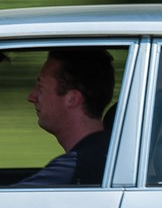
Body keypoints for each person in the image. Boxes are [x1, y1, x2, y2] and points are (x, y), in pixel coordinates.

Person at [12, 47, 115, 187]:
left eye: (40, 87)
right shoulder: (102, 155)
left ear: (72, 99)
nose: (31, 97)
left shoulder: (77, 166)